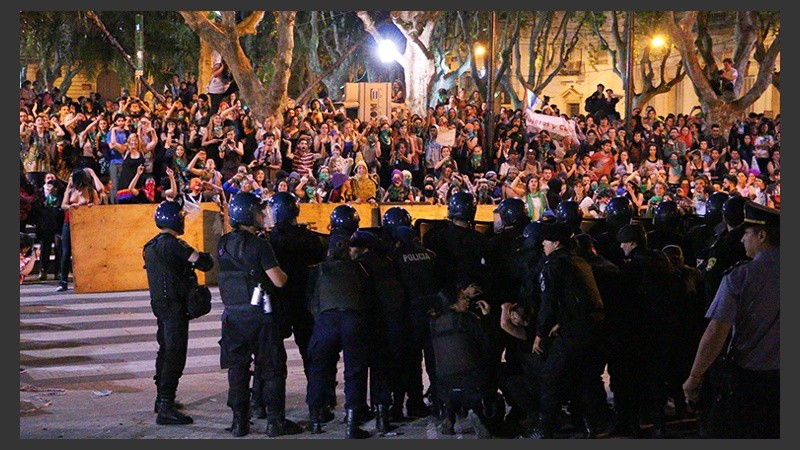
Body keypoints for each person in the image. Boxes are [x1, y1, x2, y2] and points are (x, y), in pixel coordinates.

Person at [682, 201, 779, 439]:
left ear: (762, 235)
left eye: (746, 233)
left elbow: (716, 331)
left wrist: (694, 378)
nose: (742, 239)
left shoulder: (740, 277)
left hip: (750, 382)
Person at [216, 192, 300, 437]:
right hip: (260, 316)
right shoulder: (259, 244)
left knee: (238, 369)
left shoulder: (222, 244)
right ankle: (275, 422)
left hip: (233, 316)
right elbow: (279, 280)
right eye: (259, 211)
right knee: (272, 368)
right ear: (248, 214)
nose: (263, 215)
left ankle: (239, 422)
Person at [521, 222, 606, 439]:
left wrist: (540, 334)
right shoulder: (580, 261)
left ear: (556, 243)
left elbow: (548, 303)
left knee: (551, 377)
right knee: (586, 376)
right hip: (593, 328)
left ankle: (545, 429)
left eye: (547, 241)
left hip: (573, 332)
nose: (543, 244)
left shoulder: (554, 265)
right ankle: (592, 423)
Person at [143, 201, 214, 425]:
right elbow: (203, 263)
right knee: (175, 353)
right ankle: (166, 406)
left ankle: (161, 399)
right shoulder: (174, 245)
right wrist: (206, 256)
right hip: (174, 305)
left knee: (164, 350)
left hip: (160, 305)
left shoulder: (150, 245)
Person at [257, 192, 326, 420]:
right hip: (305, 302)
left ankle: (260, 403)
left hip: (279, 302)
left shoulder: (270, 239)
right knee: (311, 355)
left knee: (269, 357)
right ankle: (318, 405)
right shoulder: (310, 238)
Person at [305, 233, 373, 439]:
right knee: (355, 371)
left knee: (318, 369)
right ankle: (352, 422)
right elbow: (367, 297)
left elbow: (311, 299)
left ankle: (316, 419)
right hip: (352, 319)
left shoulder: (318, 270)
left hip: (327, 321)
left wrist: (322, 318)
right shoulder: (359, 268)